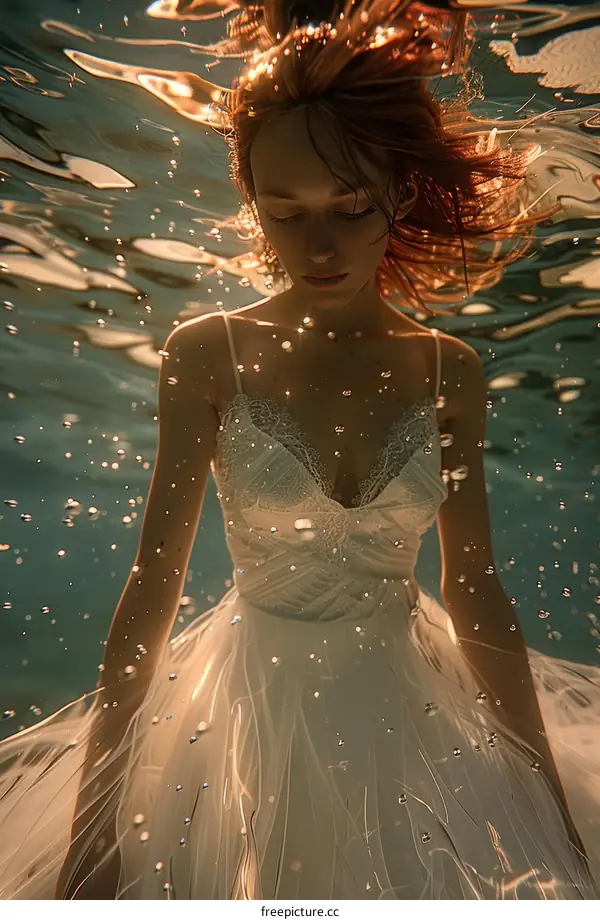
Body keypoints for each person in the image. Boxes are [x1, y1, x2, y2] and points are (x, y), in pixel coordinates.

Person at [1, 0, 600, 901]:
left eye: (351, 208)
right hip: (241, 715)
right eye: (286, 213)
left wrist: (547, 808)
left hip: (418, 714)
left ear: (399, 192)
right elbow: (151, 586)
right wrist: (97, 821)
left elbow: (473, 587)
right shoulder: (208, 353)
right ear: (252, 203)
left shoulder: (451, 371)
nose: (318, 246)